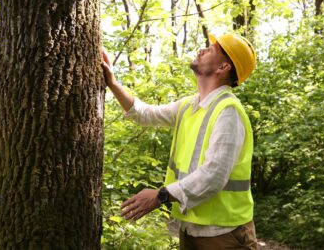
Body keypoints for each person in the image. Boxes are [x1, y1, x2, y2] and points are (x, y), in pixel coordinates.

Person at [102, 32, 258, 250]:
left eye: (211, 50)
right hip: (191, 229)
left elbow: (214, 175)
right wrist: (112, 83)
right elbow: (144, 114)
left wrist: (160, 196)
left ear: (223, 68)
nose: (202, 50)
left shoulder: (228, 112)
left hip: (224, 235)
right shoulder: (189, 105)